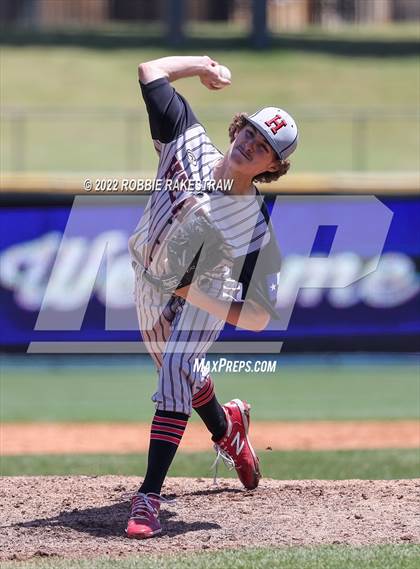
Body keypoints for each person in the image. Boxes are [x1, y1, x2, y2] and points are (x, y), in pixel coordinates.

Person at [127, 55, 298, 539]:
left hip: (208, 291)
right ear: (237, 129)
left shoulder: (252, 229)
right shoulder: (188, 142)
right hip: (149, 283)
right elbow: (149, 71)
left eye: (264, 147)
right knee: (180, 375)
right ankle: (228, 428)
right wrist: (202, 65)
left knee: (178, 369)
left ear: (272, 167)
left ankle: (149, 496)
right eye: (250, 132)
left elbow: (261, 317)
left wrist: (193, 291)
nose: (250, 145)